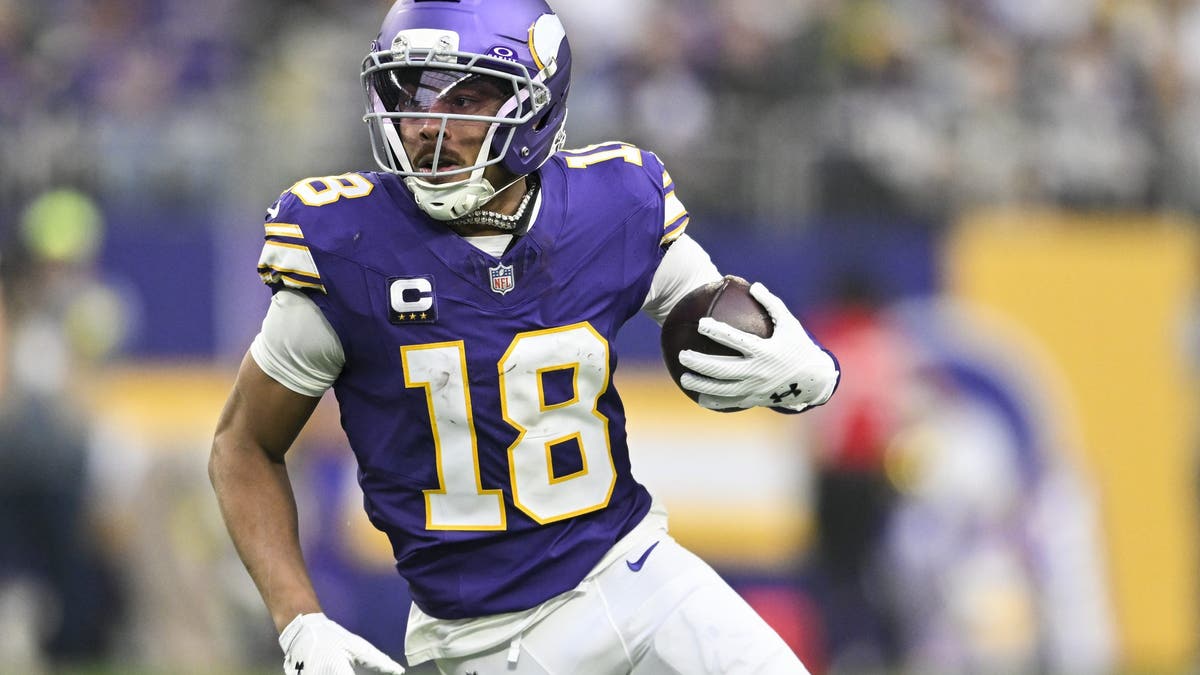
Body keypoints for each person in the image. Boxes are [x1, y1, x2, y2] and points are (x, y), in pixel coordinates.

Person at [208, 1, 840, 673]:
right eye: (410, 91)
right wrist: (300, 620)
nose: (428, 125)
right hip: (480, 640)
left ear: (534, 108)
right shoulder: (348, 244)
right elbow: (242, 444)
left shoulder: (614, 203)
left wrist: (799, 366)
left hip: (636, 575)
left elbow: (712, 309)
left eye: (468, 97)